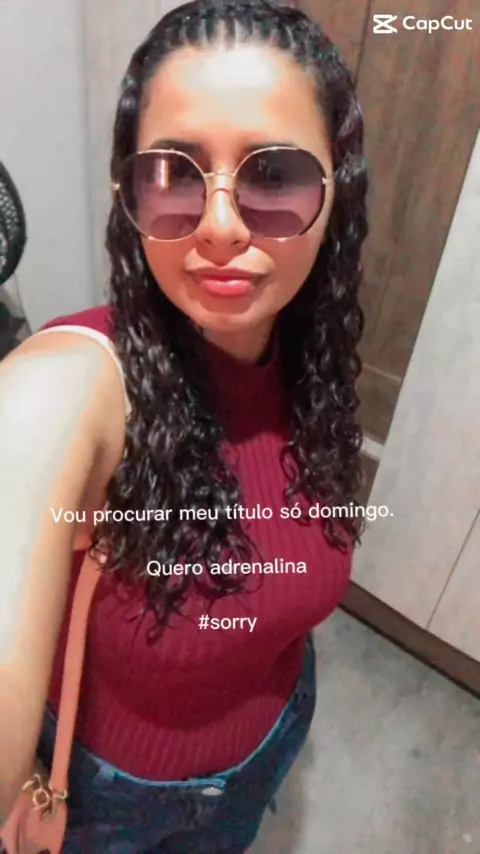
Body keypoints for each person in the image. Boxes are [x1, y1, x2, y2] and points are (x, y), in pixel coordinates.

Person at [0, 0, 368, 850]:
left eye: (274, 175)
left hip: (272, 737)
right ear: (128, 194)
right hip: (114, 798)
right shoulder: (81, 383)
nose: (222, 227)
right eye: (175, 173)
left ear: (335, 194)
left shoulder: (314, 351)